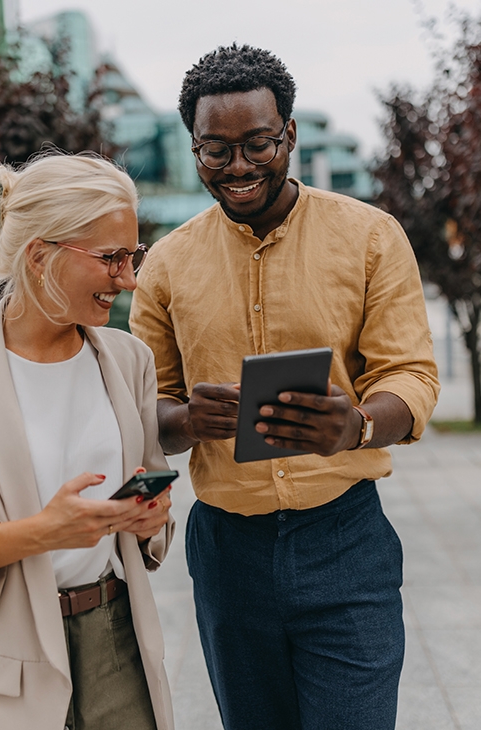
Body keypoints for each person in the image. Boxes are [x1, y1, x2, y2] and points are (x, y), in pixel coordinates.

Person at [129, 44, 440, 730]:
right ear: (194, 147)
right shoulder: (166, 266)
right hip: (228, 554)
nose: (237, 167)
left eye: (258, 144)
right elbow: (141, 410)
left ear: (289, 134)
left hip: (345, 538)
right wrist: (185, 421)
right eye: (215, 150)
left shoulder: (369, 238)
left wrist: (356, 424)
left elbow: (410, 373)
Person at [0, 153, 175, 730]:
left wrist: (151, 520)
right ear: (40, 257)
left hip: (117, 648)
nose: (130, 279)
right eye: (111, 258)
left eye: (133, 256)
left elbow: (152, 508)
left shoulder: (129, 360)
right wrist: (38, 534)